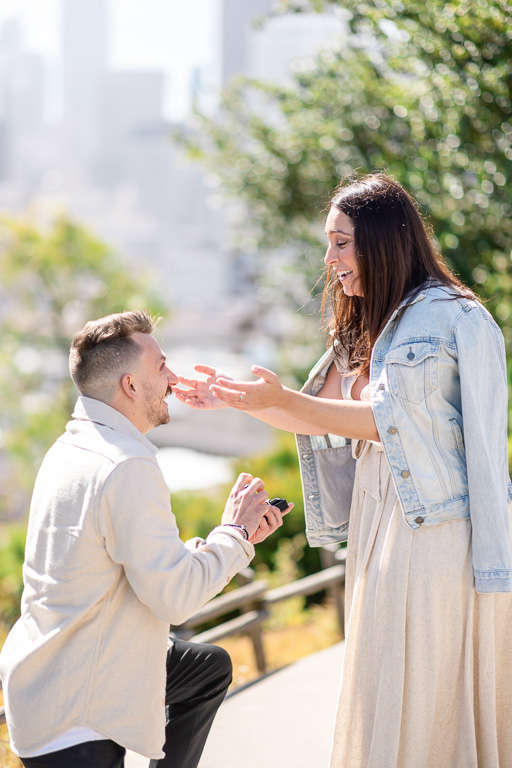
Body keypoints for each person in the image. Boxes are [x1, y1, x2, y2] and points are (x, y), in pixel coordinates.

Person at [173, 173, 512, 768]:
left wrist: (497, 565)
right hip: (376, 525)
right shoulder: (366, 322)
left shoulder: (455, 318)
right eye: (328, 244)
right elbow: (316, 418)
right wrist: (233, 397)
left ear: (384, 240)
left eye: (341, 242)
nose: (329, 259)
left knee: (429, 695)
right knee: (382, 688)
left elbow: (386, 422)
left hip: (433, 534)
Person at [0, 309, 292, 768]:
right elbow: (175, 598)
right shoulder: (126, 463)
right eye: (161, 367)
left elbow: (128, 559)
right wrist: (234, 535)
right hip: (78, 715)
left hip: (43, 684)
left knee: (206, 669)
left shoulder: (73, 445)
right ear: (131, 387)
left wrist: (223, 539)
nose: (173, 378)